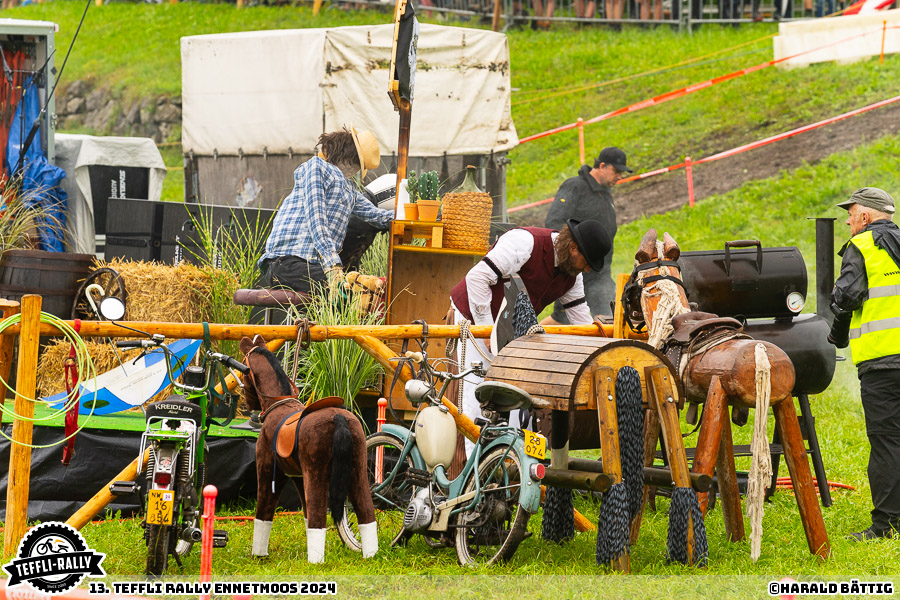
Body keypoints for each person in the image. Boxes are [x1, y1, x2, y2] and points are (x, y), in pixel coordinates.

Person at [449, 219, 611, 454]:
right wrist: (486, 328)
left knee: (518, 401)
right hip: (473, 318)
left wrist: (600, 353)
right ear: (573, 247)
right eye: (587, 262)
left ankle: (511, 468)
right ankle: (474, 479)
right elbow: (477, 278)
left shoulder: (571, 276)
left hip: (511, 330)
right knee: (477, 397)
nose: (587, 269)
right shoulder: (524, 243)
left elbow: (581, 321)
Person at [828, 186, 900, 541]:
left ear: (866, 217)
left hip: (884, 364)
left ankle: (886, 526)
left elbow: (846, 298)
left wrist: (836, 337)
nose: (847, 220)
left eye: (851, 213)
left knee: (887, 442)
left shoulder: (861, 247)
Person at [259, 127, 393, 295]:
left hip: (313, 266)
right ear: (350, 155)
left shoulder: (349, 189)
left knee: (357, 289)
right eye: (360, 164)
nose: (358, 170)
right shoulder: (317, 167)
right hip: (285, 261)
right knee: (352, 290)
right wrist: (333, 266)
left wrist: (412, 217)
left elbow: (377, 215)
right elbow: (317, 218)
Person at [541, 146, 632, 325]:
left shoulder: (605, 194)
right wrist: (569, 263)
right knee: (563, 320)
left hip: (600, 274)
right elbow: (554, 223)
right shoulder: (575, 186)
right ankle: (522, 341)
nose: (620, 177)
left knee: (610, 317)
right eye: (616, 171)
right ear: (603, 166)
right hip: (576, 271)